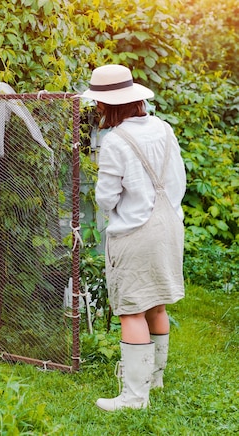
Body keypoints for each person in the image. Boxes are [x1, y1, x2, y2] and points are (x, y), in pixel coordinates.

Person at [81, 64, 187, 411]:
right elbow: (178, 180)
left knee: (131, 311)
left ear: (108, 106)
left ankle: (134, 397)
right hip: (169, 224)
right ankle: (154, 379)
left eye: (98, 104)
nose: (96, 109)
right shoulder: (163, 128)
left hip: (135, 231)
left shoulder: (115, 141)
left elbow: (105, 197)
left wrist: (121, 206)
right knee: (157, 303)